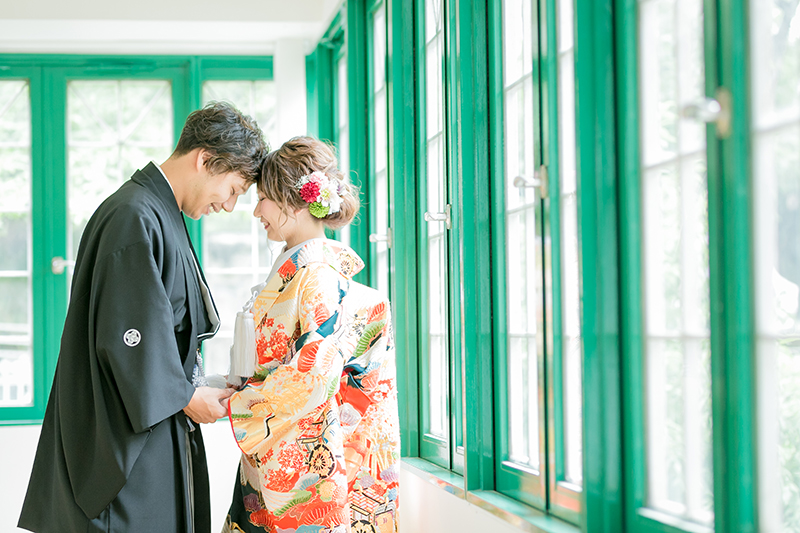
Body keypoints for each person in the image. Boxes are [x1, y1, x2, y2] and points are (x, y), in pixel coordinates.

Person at [18, 102, 268, 533]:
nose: (229, 205)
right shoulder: (133, 215)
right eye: (233, 189)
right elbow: (127, 334)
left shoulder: (156, 211)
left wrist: (195, 385)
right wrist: (186, 396)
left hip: (151, 421)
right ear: (204, 160)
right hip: (123, 437)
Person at [223, 136, 400, 533]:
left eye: (263, 198)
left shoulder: (316, 276)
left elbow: (314, 373)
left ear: (296, 201)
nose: (257, 211)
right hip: (280, 446)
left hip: (304, 458)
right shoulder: (301, 270)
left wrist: (240, 404)